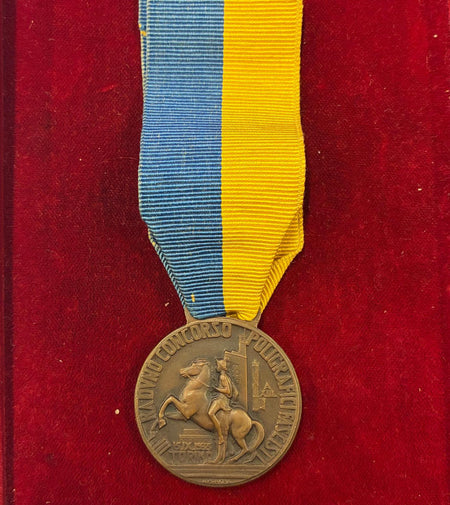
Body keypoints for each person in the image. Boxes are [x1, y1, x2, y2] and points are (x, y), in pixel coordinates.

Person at [208, 358, 234, 444]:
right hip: (220, 398)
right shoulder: (225, 376)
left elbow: (227, 391)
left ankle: (220, 436)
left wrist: (216, 389)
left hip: (221, 400)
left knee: (210, 413)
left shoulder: (222, 377)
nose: (216, 367)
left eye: (217, 365)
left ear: (221, 367)